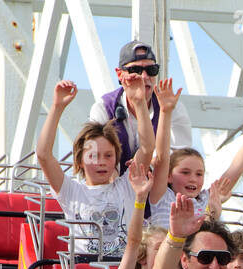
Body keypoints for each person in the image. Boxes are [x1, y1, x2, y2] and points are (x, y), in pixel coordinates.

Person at [36, 78, 170, 258]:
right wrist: (57, 107)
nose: (101, 162)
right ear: (80, 160)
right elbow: (44, 155)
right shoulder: (71, 191)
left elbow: (147, 148)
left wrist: (139, 104)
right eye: (93, 156)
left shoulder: (127, 186)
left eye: (108, 156)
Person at [148, 96, 243, 230]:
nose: (193, 179)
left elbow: (237, 167)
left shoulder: (206, 200)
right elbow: (162, 157)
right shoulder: (161, 197)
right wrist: (165, 112)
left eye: (199, 174)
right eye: (185, 172)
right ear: (168, 176)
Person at [89, 40, 192, 169]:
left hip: (157, 185)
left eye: (151, 70)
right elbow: (95, 156)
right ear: (119, 74)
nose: (144, 76)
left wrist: (146, 164)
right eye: (135, 70)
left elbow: (181, 156)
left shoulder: (173, 107)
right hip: (113, 184)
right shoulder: (104, 108)